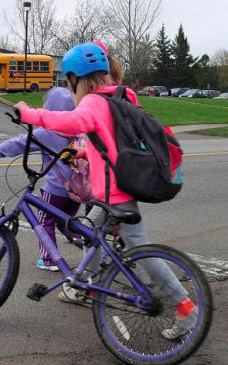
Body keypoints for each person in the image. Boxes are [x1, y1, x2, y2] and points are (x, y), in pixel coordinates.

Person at [14, 42, 197, 340]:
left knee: (141, 252)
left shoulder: (93, 102)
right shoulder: (118, 96)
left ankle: (185, 306)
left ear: (75, 78)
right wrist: (86, 154)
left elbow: (71, 122)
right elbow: (113, 141)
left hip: (116, 194)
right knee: (89, 232)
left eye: (68, 80)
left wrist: (30, 114)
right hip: (115, 189)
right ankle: (87, 284)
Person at [0, 88, 80, 272]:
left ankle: (49, 260)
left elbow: (16, 145)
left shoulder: (46, 134)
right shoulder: (76, 132)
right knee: (66, 220)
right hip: (76, 190)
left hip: (56, 189)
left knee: (43, 221)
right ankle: (87, 244)